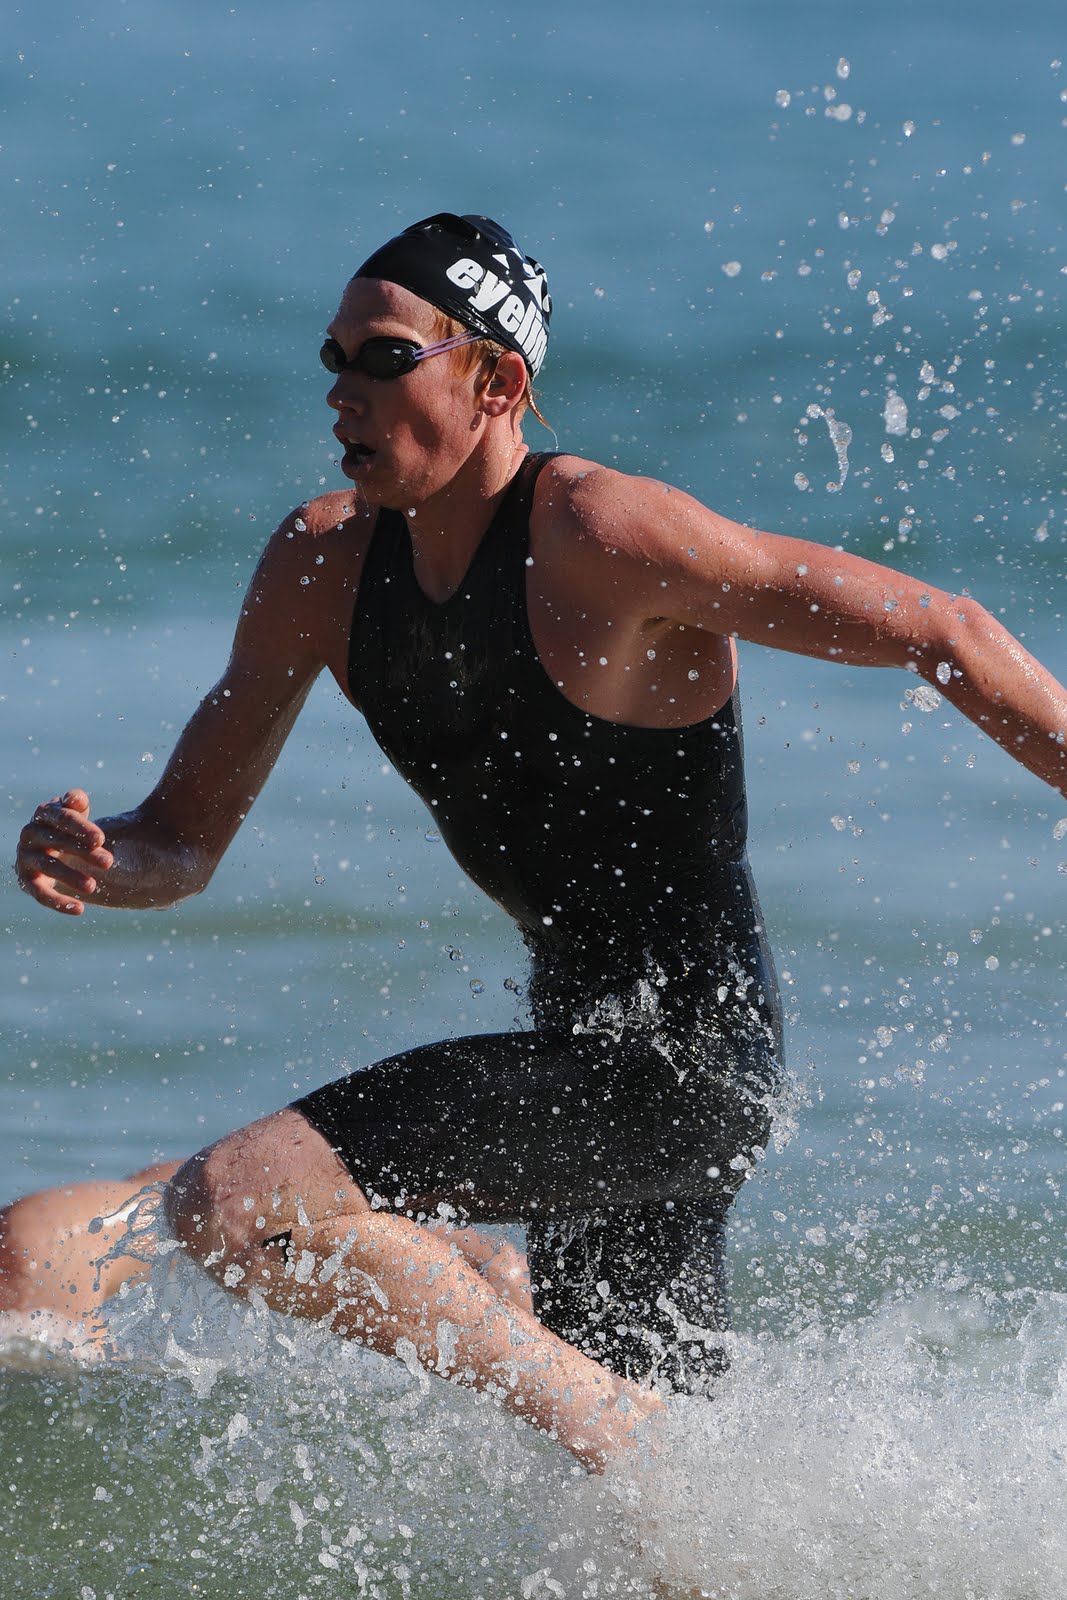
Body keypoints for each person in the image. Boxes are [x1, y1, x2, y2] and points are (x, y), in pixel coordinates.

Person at [8, 212, 1067, 1469]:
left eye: (383, 358)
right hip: (574, 1057)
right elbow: (182, 840)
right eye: (334, 357)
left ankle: (610, 1420)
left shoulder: (601, 536)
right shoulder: (321, 567)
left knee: (244, 1203)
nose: (342, 389)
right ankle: (550, 1348)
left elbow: (935, 628)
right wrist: (106, 861)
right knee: (675, 1524)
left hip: (688, 1068)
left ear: (496, 382)